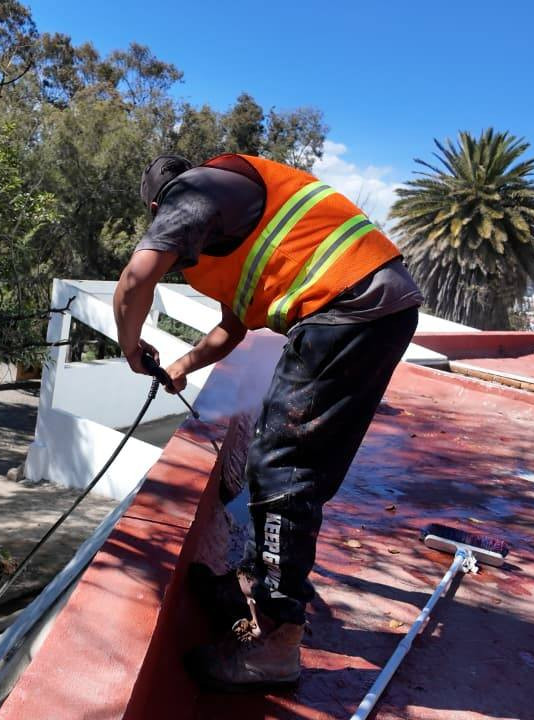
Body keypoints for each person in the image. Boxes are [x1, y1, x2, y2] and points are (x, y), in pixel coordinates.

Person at [113, 152, 423, 691]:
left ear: (161, 205)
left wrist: (129, 344)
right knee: (291, 461)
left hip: (346, 307)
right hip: (372, 307)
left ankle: (277, 645)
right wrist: (182, 366)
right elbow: (231, 328)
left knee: (282, 471)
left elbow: (136, 277)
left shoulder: (196, 189)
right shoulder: (238, 224)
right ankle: (264, 587)